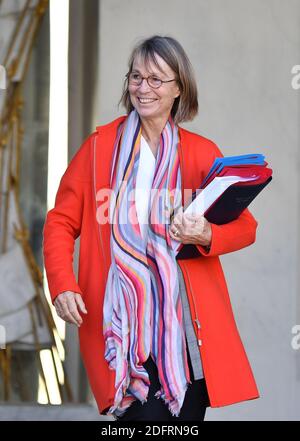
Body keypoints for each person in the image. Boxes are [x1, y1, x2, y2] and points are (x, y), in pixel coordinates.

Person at [43, 35, 260, 422]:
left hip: (185, 336)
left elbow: (245, 227)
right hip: (122, 332)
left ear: (179, 87)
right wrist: (62, 284)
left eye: (157, 80)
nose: (144, 88)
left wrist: (206, 235)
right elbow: (60, 220)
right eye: (136, 77)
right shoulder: (99, 147)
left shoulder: (200, 152)